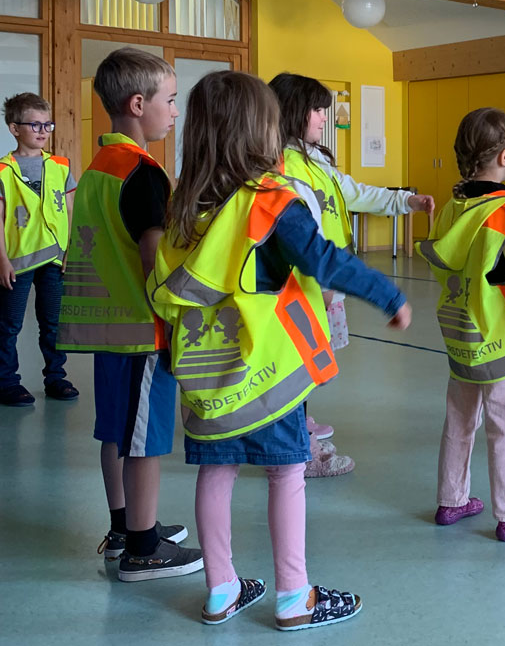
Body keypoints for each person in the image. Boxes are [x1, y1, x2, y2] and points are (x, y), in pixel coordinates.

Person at [148, 70, 411, 630]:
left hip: (207, 376)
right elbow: (323, 260)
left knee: (215, 471)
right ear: (261, 131)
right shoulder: (268, 202)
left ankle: (221, 590)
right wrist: (387, 294)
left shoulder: (184, 208)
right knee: (287, 471)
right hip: (269, 373)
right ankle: (294, 597)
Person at [57, 47, 202, 578]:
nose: (176, 111)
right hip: (142, 329)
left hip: (108, 329)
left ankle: (124, 526)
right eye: (171, 100)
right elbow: (152, 255)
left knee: (115, 431)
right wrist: (183, 311)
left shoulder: (99, 167)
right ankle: (144, 547)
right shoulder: (143, 173)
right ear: (138, 104)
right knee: (145, 441)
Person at [270, 72, 432, 478]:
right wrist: (324, 284)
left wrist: (405, 201)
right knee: (298, 365)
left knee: (308, 367)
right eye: (317, 109)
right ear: (294, 111)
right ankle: (299, 450)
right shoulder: (282, 166)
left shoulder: (317, 159)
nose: (324, 117)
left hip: (325, 283)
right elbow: (300, 241)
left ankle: (299, 427)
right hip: (307, 285)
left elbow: (354, 192)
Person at [417, 107, 505, 542]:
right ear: (503, 157)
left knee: (459, 420)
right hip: (502, 336)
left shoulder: (454, 207)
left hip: (462, 334)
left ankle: (451, 500)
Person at [0, 93, 78, 406]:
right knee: (9, 325)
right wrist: (2, 260)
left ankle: (56, 378)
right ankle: (7, 382)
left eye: (48, 124)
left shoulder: (60, 166)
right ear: (14, 128)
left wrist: (71, 250)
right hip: (17, 260)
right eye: (35, 124)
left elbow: (70, 211)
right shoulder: (3, 170)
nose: (43, 130)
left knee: (53, 323)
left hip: (55, 258)